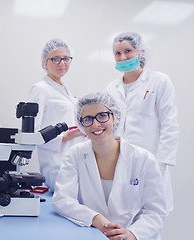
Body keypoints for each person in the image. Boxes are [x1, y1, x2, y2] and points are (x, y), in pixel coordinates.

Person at [52, 92, 167, 240]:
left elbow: (155, 211)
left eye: (102, 116)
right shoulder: (75, 155)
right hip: (93, 234)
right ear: (81, 125)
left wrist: (132, 234)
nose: (95, 124)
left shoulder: (143, 159)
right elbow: (62, 199)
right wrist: (95, 218)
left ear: (115, 117)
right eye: (87, 119)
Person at [106, 32, 179, 213]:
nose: (123, 57)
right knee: (123, 218)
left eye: (128, 51)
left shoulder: (159, 81)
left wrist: (161, 164)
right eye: (117, 53)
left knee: (151, 217)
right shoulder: (111, 88)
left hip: (152, 161)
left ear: (140, 52)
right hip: (120, 163)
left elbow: (169, 124)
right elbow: (109, 126)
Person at [28, 38, 86, 191]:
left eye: (66, 59)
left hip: (73, 159)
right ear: (44, 62)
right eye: (55, 59)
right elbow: (32, 134)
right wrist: (65, 136)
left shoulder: (64, 90)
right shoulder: (40, 89)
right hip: (56, 165)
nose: (62, 63)